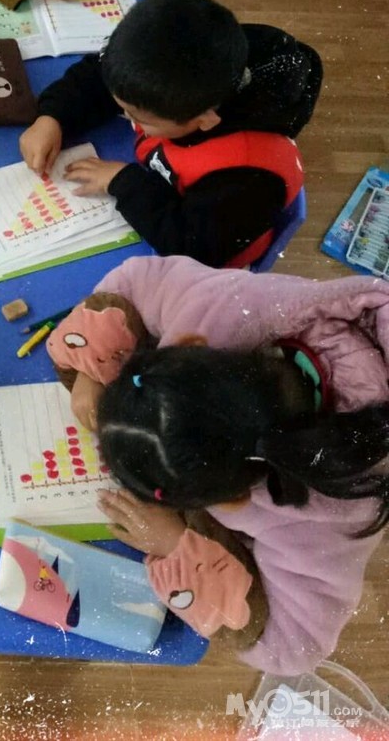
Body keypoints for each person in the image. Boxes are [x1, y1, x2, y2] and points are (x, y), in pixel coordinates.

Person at [47, 254, 389, 674]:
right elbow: (132, 280)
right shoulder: (220, 311)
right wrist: (91, 375)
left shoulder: (328, 512)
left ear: (235, 498)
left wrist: (177, 546)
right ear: (191, 347)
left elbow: (292, 647)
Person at [20, 0, 322, 267]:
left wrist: (123, 181)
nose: (127, 116)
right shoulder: (171, 69)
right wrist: (53, 116)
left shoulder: (248, 179)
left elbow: (191, 247)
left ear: (204, 120)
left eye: (139, 118)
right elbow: (102, 76)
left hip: (204, 264)